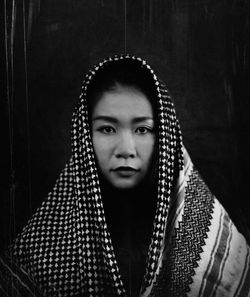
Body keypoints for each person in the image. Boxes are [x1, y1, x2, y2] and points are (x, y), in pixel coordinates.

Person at [0, 55, 249, 297]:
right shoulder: (41, 252)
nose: (126, 150)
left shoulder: (218, 246)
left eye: (143, 129)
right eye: (107, 129)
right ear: (86, 136)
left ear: (163, 135)